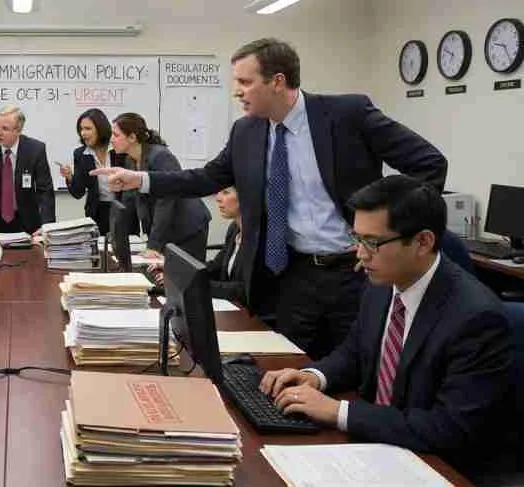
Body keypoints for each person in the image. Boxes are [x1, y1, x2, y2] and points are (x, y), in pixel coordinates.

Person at [93, 38, 447, 358]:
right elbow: (206, 178)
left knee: (355, 370)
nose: (237, 92)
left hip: (354, 275)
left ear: (277, 81)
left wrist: (391, 234)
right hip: (289, 275)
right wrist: (139, 179)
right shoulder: (246, 131)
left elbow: (429, 164)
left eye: (245, 82)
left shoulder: (346, 115)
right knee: (286, 368)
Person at [259, 175, 511, 478]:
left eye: (373, 242)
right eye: (357, 238)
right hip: (374, 448)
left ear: (423, 242)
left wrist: (338, 412)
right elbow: (354, 354)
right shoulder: (382, 282)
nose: (360, 254)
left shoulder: (476, 318)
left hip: (435, 465)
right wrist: (314, 376)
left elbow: (449, 427)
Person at [111, 113, 210, 261]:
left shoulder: (160, 156)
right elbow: (130, 200)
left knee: (185, 277)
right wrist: (119, 236)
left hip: (187, 226)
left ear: (132, 137)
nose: (111, 140)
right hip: (166, 227)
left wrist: (154, 245)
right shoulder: (131, 160)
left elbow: (166, 201)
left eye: (116, 135)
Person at [0, 106, 55, 235]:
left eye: (5, 128)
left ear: (18, 131)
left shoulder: (35, 150)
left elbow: (45, 191)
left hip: (28, 224)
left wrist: (47, 226)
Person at [60, 108, 120, 235]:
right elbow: (78, 192)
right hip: (96, 212)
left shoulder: (118, 148)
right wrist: (70, 177)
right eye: (81, 129)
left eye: (88, 129)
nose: (83, 133)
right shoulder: (81, 154)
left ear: (100, 128)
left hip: (122, 210)